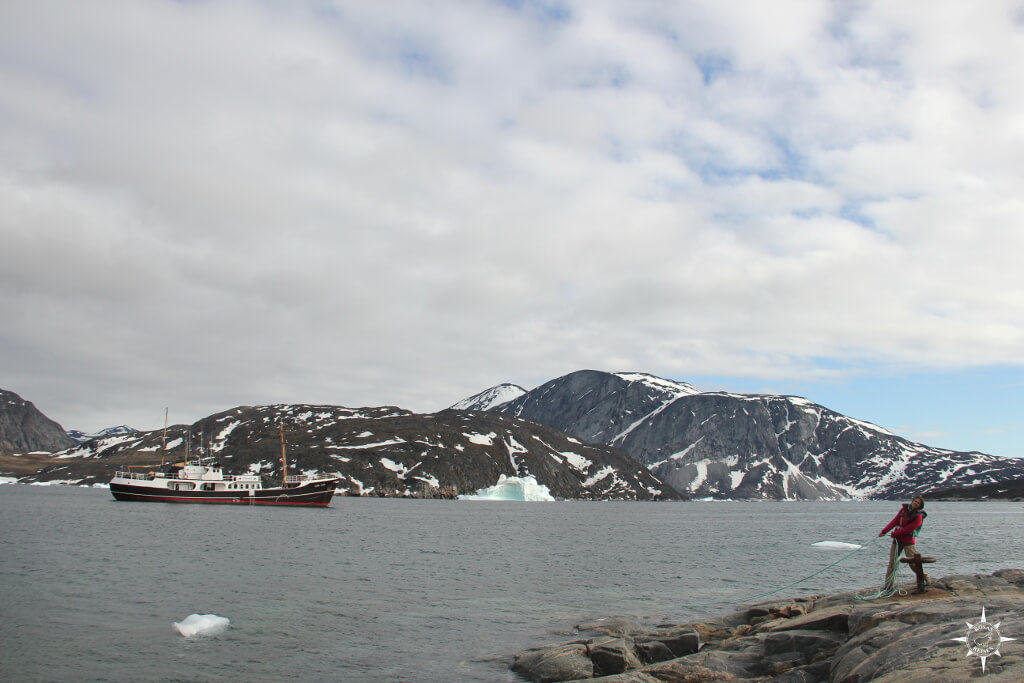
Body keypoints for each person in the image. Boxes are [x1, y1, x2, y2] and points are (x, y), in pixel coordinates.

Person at [878, 496, 928, 592]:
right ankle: (888, 586)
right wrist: (884, 531)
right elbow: (895, 521)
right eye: (915, 501)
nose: (916, 503)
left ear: (920, 506)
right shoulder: (903, 510)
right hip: (897, 540)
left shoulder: (919, 516)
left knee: (913, 563)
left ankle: (925, 577)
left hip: (908, 541)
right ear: (912, 501)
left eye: (918, 503)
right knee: (892, 563)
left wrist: (895, 533)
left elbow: (910, 528)